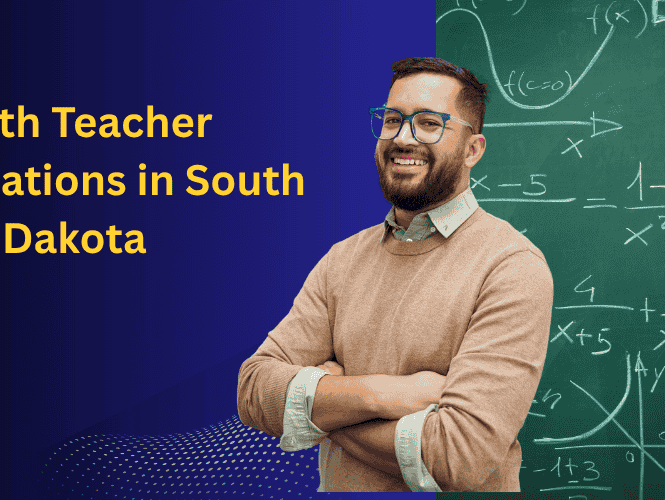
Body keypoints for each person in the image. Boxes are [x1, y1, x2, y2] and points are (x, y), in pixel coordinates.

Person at [236, 57, 554, 492]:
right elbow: (255, 390)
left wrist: (323, 405)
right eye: (392, 120)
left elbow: (456, 455)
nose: (403, 138)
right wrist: (382, 394)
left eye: (429, 123)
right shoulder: (342, 259)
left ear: (472, 149)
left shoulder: (510, 266)